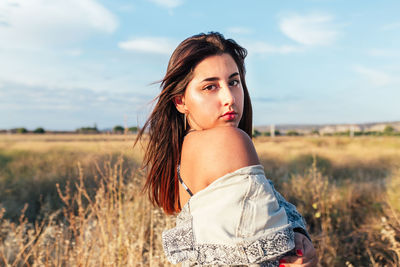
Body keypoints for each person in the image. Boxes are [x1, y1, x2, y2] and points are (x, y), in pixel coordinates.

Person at [135, 32, 317, 266]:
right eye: (210, 87)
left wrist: (297, 234)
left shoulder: (186, 149)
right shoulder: (228, 141)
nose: (229, 97)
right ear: (180, 101)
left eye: (233, 82)